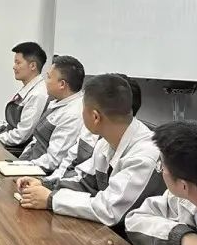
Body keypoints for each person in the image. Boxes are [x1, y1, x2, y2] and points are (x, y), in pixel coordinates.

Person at [18, 74, 164, 234]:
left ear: (95, 117)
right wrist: (45, 186)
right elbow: (84, 181)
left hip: (131, 239)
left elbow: (109, 210)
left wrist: (51, 199)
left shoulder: (145, 155)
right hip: (110, 231)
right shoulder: (107, 140)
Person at [43, 73, 142, 187]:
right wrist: (47, 185)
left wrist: (51, 193)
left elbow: (108, 197)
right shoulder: (103, 140)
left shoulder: (139, 157)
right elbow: (81, 175)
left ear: (96, 116)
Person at [15, 55, 86, 172]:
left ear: (62, 84)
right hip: (28, 164)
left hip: (38, 173)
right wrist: (17, 163)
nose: (45, 82)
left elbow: (52, 161)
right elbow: (36, 142)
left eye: (48, 77)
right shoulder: (57, 101)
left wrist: (20, 167)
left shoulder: (72, 114)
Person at [0, 42, 50, 156]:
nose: (14, 67)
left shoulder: (38, 94)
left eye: (18, 62)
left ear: (33, 66)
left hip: (18, 150)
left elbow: (22, 134)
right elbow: (8, 123)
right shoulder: (28, 89)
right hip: (10, 142)